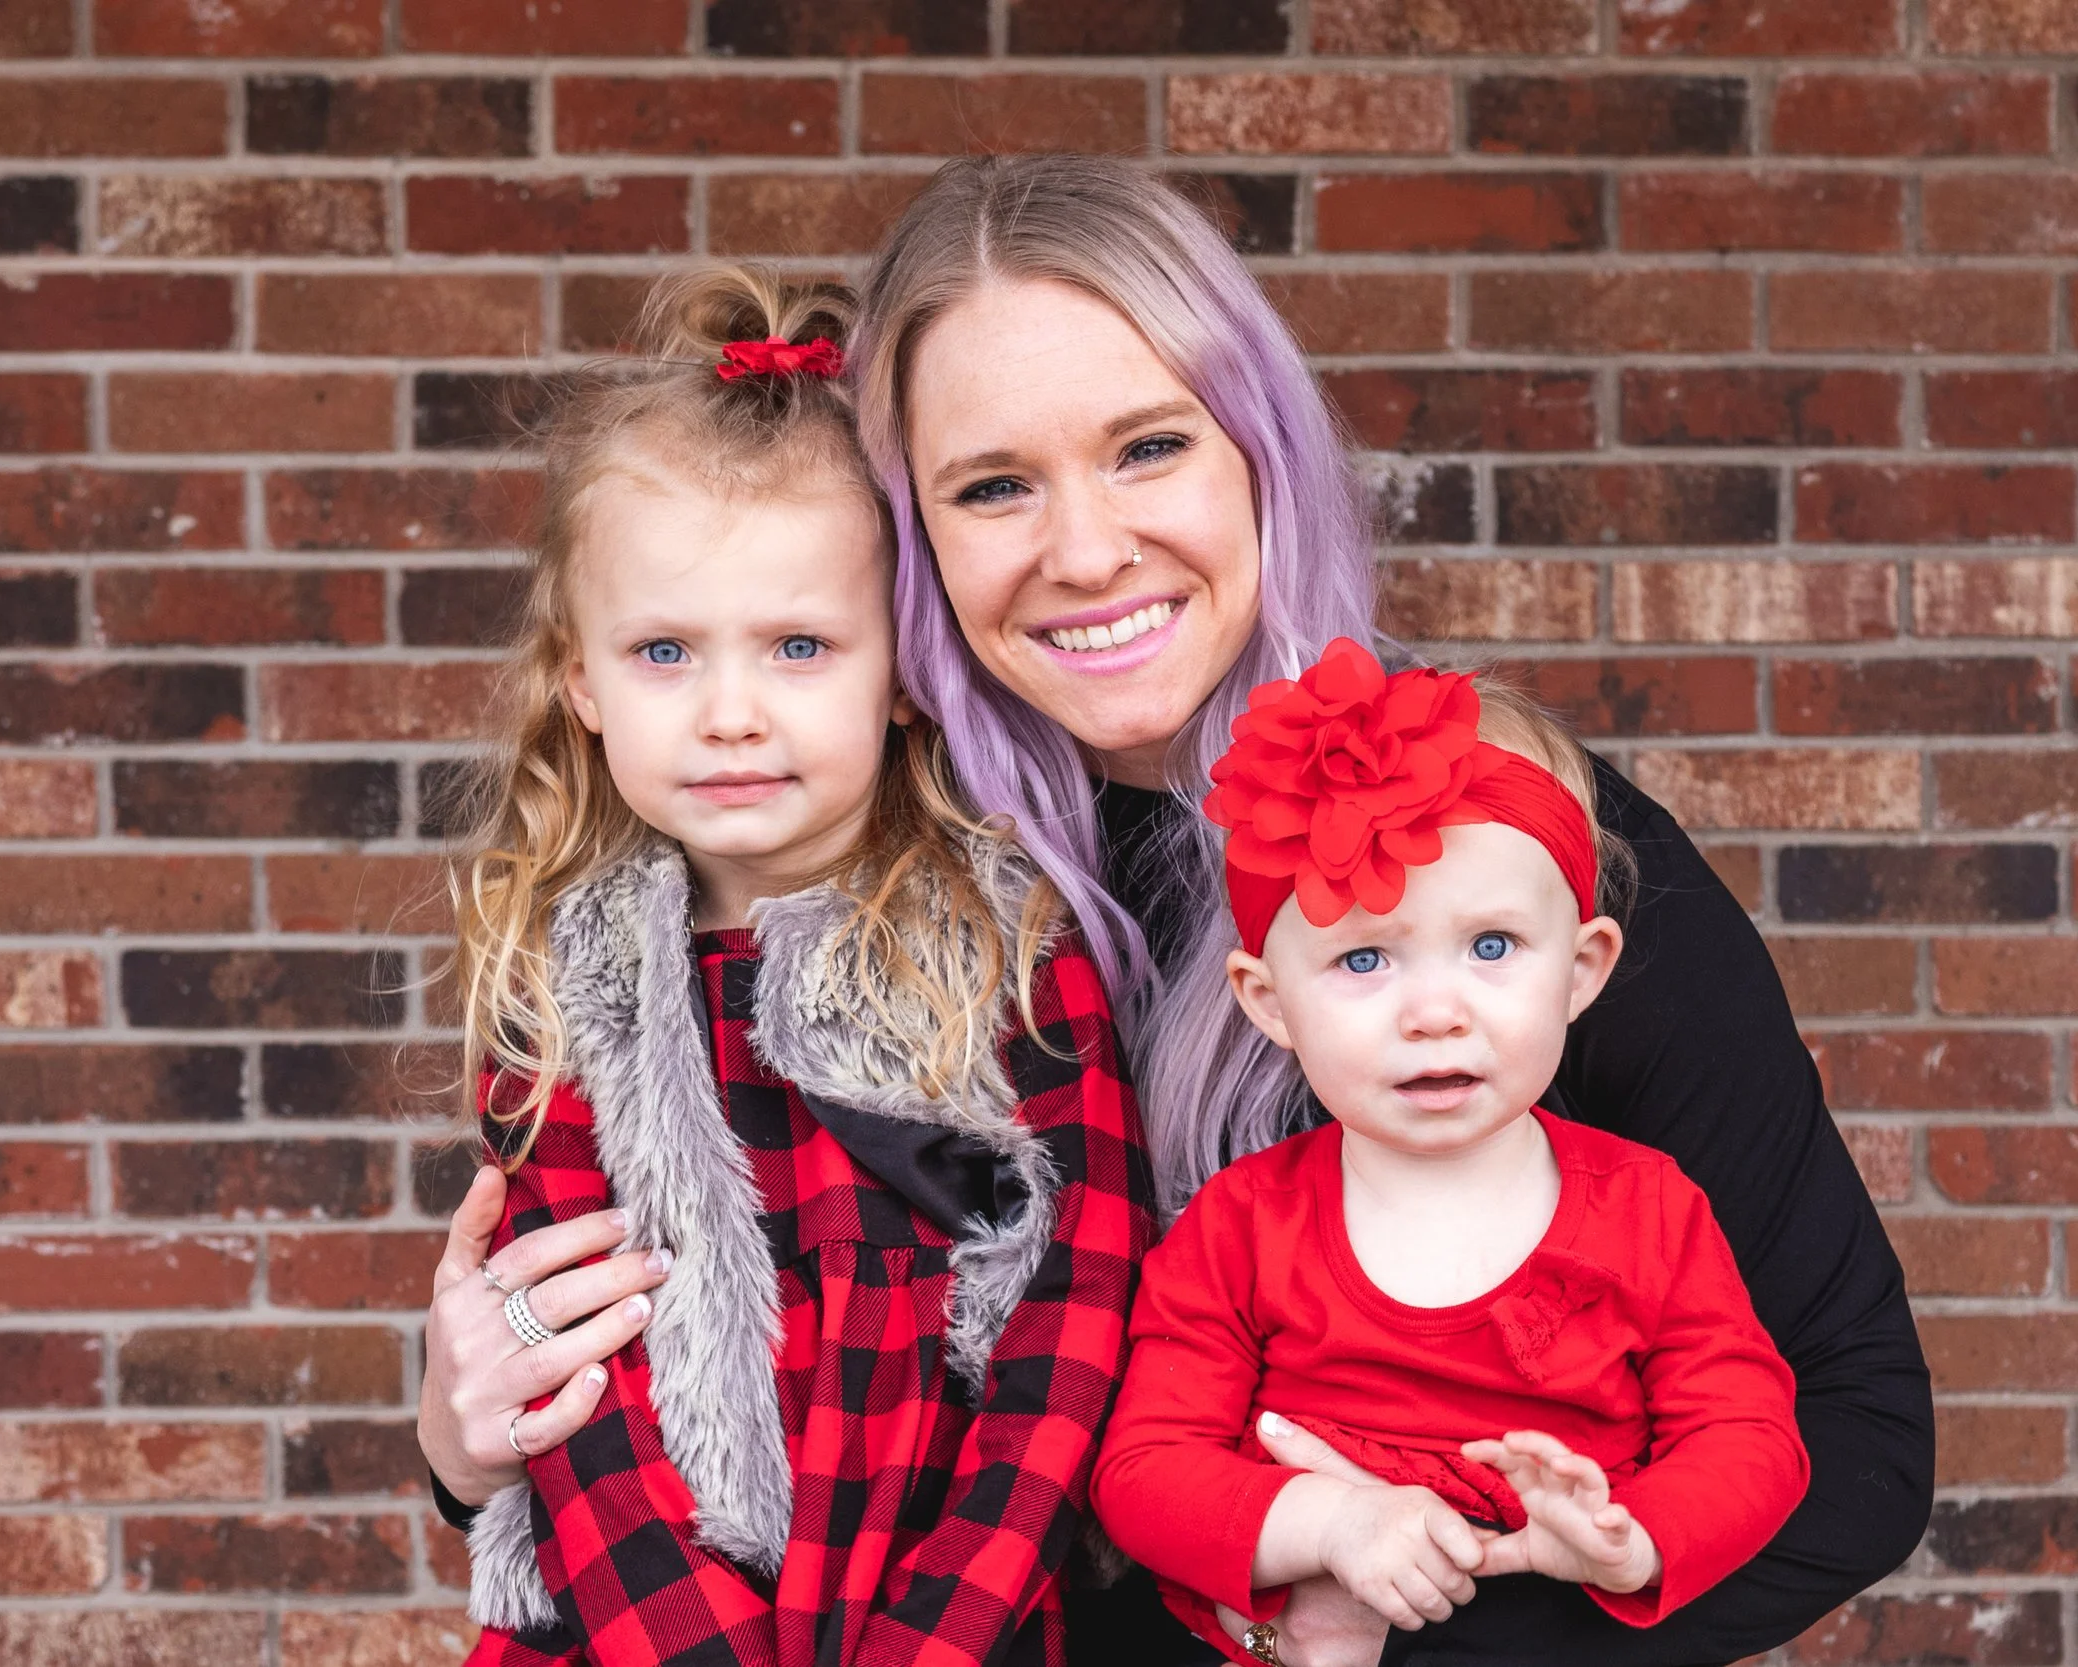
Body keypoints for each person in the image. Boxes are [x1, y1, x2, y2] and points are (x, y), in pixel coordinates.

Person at [419, 154, 1934, 1667]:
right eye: (995, 485)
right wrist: (470, 1440)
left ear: (1262, 449)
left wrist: (1385, 1635)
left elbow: (1859, 1438)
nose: (1086, 550)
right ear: (907, 545)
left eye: (1149, 446)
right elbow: (777, 1381)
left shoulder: (1493, 845)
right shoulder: (888, 892)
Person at [439, 264, 1150, 1667]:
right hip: (641, 1624)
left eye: (799, 645)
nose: (730, 712)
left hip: (948, 1610)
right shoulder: (564, 988)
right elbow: (579, 1386)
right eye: (663, 650)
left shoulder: (1010, 954)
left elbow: (1071, 1328)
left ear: (905, 671)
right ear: (581, 681)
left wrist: (934, 1643)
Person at [1092, 643, 1807, 1663]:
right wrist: (1327, 1524)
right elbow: (1144, 1471)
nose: (1434, 1011)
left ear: (1581, 968)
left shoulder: (1647, 1209)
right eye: (1364, 957)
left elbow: (1749, 1436)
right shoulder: (1242, 1225)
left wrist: (1632, 1540)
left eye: (1490, 946)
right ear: (1269, 1000)